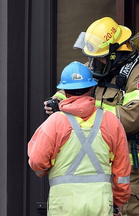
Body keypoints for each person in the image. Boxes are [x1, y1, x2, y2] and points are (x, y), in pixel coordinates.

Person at [45, 17, 139, 216]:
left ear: (115, 54)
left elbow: (132, 118)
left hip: (134, 165)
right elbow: (75, 83)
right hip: (100, 160)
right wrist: (57, 100)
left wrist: (81, 111)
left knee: (128, 211)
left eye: (99, 58)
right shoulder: (99, 63)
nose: (93, 63)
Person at [29, 61, 131, 216]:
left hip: (63, 205)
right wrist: (119, 202)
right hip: (101, 204)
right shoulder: (111, 121)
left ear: (65, 92)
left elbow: (36, 161)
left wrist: (45, 169)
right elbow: (122, 170)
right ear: (91, 89)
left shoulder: (55, 122)